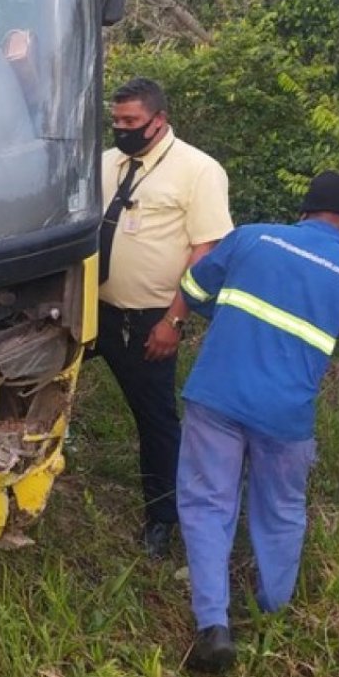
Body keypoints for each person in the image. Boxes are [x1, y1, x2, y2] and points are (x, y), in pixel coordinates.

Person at [176, 170, 339, 673]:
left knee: (208, 504)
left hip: (218, 395)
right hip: (287, 415)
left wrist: (224, 317)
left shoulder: (253, 237)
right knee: (282, 510)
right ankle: (274, 614)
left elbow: (193, 287)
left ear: (305, 209)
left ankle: (214, 626)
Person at [97, 77, 233, 558]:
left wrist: (174, 320)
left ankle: (161, 518)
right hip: (93, 308)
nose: (122, 130)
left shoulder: (198, 171)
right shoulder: (107, 164)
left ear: (159, 120)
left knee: (154, 420)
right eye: (116, 121)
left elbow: (208, 250)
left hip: (149, 318)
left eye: (131, 122)